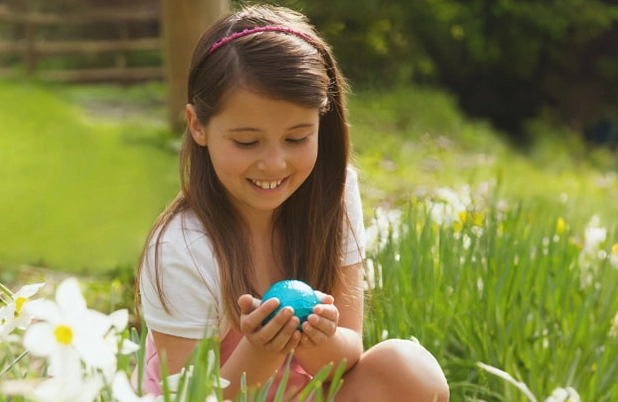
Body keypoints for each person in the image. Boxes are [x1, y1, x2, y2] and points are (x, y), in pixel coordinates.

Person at [136, 5, 449, 401]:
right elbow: (185, 396)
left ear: (322, 122)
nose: (274, 163)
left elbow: (346, 359)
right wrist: (260, 352)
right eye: (247, 142)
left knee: (407, 370)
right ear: (197, 125)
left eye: (297, 138)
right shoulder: (182, 249)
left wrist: (318, 339)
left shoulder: (331, 196)